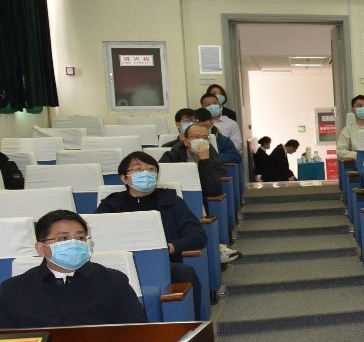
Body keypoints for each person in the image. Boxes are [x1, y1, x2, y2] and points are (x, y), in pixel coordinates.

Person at [97, 151, 210, 313]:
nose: (146, 173)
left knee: (184, 273)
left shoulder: (171, 201)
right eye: (138, 169)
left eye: (151, 169)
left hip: (160, 265)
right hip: (117, 265)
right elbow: (94, 235)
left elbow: (198, 235)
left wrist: (172, 246)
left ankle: (193, 325)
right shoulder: (111, 204)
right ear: (124, 178)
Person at [0, 210, 148, 328]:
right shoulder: (12, 289)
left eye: (80, 238)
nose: (74, 244)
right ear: (41, 248)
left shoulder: (113, 281)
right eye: (63, 238)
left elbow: (135, 332)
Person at [160, 121, 229, 201]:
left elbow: (213, 191)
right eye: (196, 137)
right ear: (186, 142)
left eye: (205, 138)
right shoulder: (171, 156)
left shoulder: (214, 159)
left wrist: (205, 161)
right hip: (175, 199)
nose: (201, 141)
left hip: (203, 201)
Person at [199, 91, 243, 157]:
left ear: (219, 104)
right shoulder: (199, 124)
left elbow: (238, 145)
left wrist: (220, 153)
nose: (212, 106)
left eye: (214, 103)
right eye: (208, 105)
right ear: (203, 108)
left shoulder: (231, 123)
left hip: (227, 157)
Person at [336, 95, 364, 162]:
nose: (363, 108)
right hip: (359, 163)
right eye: (359, 106)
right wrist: (359, 155)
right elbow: (340, 152)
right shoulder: (348, 129)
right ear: (352, 110)